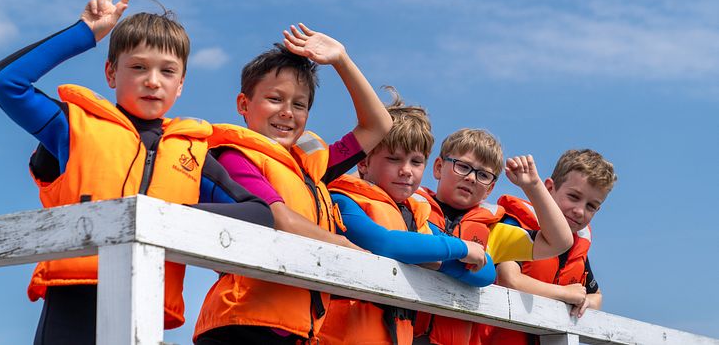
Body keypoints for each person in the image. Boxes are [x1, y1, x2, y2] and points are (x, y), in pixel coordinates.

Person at [0, 0, 274, 345]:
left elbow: (260, 213)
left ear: (181, 83)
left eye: (167, 71)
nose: (153, 81)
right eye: (138, 67)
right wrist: (85, 33)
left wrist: (161, 216)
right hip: (72, 305)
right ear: (110, 73)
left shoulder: (193, 154)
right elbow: (5, 82)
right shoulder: (71, 127)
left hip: (146, 308)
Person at [193, 24, 393, 344]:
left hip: (297, 332)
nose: (287, 113)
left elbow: (379, 124)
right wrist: (350, 250)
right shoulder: (233, 158)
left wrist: (341, 59)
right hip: (244, 328)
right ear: (244, 105)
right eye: (275, 99)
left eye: (299, 105)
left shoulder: (311, 168)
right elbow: (279, 217)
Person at [316, 89, 496, 345]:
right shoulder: (343, 200)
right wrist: (458, 248)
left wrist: (434, 260)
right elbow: (384, 243)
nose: (406, 171)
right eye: (393, 159)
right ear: (364, 163)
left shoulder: (416, 217)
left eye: (416, 161)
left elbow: (485, 273)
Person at [412, 129, 573, 345]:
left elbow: (560, 242)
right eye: (463, 166)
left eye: (483, 175)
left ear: (490, 189)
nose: (471, 178)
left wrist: (533, 186)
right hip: (398, 333)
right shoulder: (409, 206)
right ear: (439, 167)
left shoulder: (495, 230)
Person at [476, 149, 617, 344]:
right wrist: (565, 294)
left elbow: (596, 296)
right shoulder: (518, 224)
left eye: (591, 206)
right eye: (574, 197)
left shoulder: (579, 244)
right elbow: (510, 279)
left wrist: (585, 301)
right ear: (549, 188)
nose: (579, 211)